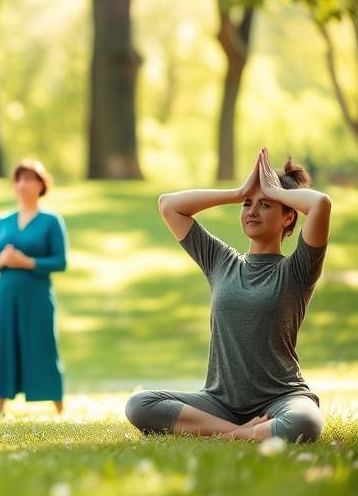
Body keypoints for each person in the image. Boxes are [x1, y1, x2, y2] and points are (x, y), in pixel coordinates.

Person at [125, 148, 331, 443]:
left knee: (306, 421)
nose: (251, 211)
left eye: (265, 205)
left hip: (281, 397)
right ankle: (241, 433)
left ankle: (236, 431)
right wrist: (237, 192)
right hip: (220, 403)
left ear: (288, 217)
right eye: (247, 205)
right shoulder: (221, 261)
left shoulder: (298, 271)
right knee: (139, 405)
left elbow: (321, 204)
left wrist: (275, 189)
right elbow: (169, 205)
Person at [0, 158, 68, 416]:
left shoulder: (51, 221)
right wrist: (2, 260)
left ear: (41, 184)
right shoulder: (4, 221)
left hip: (37, 294)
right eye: (18, 179)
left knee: (42, 344)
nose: (22, 184)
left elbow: (60, 261)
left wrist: (27, 262)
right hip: (6, 294)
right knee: (2, 344)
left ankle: (57, 404)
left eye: (29, 179)